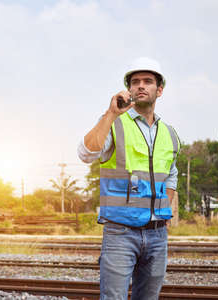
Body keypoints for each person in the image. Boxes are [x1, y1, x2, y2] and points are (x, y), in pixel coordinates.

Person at [78, 57, 180, 300]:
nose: (141, 86)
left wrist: (163, 209)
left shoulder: (170, 134)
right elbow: (86, 153)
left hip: (157, 235)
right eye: (135, 82)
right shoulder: (114, 123)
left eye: (148, 81)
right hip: (120, 234)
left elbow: (172, 175)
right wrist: (111, 113)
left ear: (160, 90)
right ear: (129, 89)